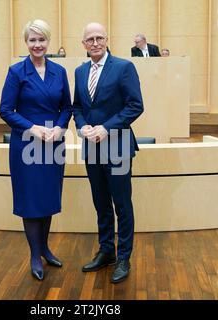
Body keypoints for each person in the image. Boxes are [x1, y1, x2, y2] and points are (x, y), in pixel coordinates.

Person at [0, 19, 72, 281]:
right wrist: (33, 128)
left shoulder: (60, 71)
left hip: (53, 144)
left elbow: (67, 107)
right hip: (27, 145)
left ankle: (45, 249)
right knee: (30, 201)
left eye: (41, 40)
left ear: (48, 41)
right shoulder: (16, 72)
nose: (37, 44)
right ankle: (34, 255)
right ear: (26, 42)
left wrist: (61, 128)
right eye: (32, 40)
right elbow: (5, 110)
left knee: (48, 199)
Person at [73, 22, 144, 284]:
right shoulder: (80, 72)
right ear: (83, 44)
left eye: (99, 38)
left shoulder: (124, 67)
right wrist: (82, 127)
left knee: (122, 206)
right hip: (92, 147)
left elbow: (135, 106)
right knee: (101, 204)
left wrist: (106, 128)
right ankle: (106, 252)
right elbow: (77, 106)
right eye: (89, 39)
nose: (94, 42)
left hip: (117, 146)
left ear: (106, 39)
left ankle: (124, 256)